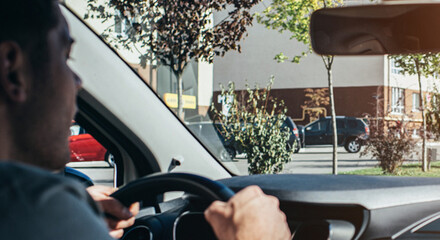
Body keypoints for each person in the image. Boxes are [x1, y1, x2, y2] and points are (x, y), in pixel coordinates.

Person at [0, 0, 290, 239]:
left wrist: (80, 217)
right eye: (65, 57)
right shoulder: (32, 208)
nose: (76, 82)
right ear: (13, 70)